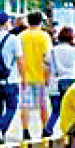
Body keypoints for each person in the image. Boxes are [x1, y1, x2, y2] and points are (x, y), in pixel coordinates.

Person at [17, 11, 53, 141]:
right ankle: (45, 129)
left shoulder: (21, 36)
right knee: (43, 104)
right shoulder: (44, 36)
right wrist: (48, 76)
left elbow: (18, 56)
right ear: (40, 22)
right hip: (41, 76)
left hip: (24, 76)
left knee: (25, 105)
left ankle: (25, 130)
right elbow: (48, 58)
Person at [0, 12, 23, 146]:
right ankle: (1, 128)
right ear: (7, 22)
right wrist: (23, 77)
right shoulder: (13, 39)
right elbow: (20, 60)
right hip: (10, 80)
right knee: (12, 106)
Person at [44, 27, 75, 137]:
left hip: (55, 82)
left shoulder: (52, 51)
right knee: (72, 109)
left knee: (56, 110)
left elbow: (46, 64)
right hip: (71, 82)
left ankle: (48, 128)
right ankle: (70, 130)